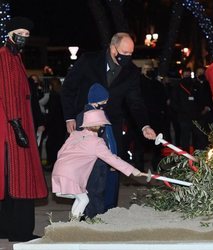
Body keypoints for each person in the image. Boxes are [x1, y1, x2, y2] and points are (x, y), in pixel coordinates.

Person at [61, 32, 156, 208]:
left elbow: (135, 102)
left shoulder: (131, 72)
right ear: (113, 48)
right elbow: (69, 88)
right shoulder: (88, 61)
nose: (127, 57)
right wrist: (69, 117)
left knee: (112, 165)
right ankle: (86, 212)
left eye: (130, 54)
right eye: (124, 53)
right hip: (85, 124)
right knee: (88, 168)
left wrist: (145, 125)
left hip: (112, 126)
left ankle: (109, 210)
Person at [0, 17, 48, 242]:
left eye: (27, 35)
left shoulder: (14, 57)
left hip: (12, 126)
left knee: (9, 180)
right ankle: (20, 231)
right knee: (20, 179)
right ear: (10, 33)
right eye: (20, 32)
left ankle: (8, 229)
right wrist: (17, 127)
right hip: (11, 129)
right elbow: (8, 94)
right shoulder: (5, 56)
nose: (24, 37)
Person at [52, 109, 143, 221]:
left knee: (81, 198)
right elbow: (112, 159)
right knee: (84, 199)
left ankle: (73, 221)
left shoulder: (74, 135)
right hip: (71, 176)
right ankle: (73, 223)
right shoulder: (97, 142)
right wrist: (132, 170)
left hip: (58, 172)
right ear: (99, 125)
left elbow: (60, 152)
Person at [76, 83, 119, 218]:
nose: (106, 102)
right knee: (95, 190)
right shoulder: (89, 116)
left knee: (98, 189)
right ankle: (94, 217)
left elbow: (108, 138)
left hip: (101, 158)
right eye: (104, 99)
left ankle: (94, 216)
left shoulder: (99, 113)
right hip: (95, 160)